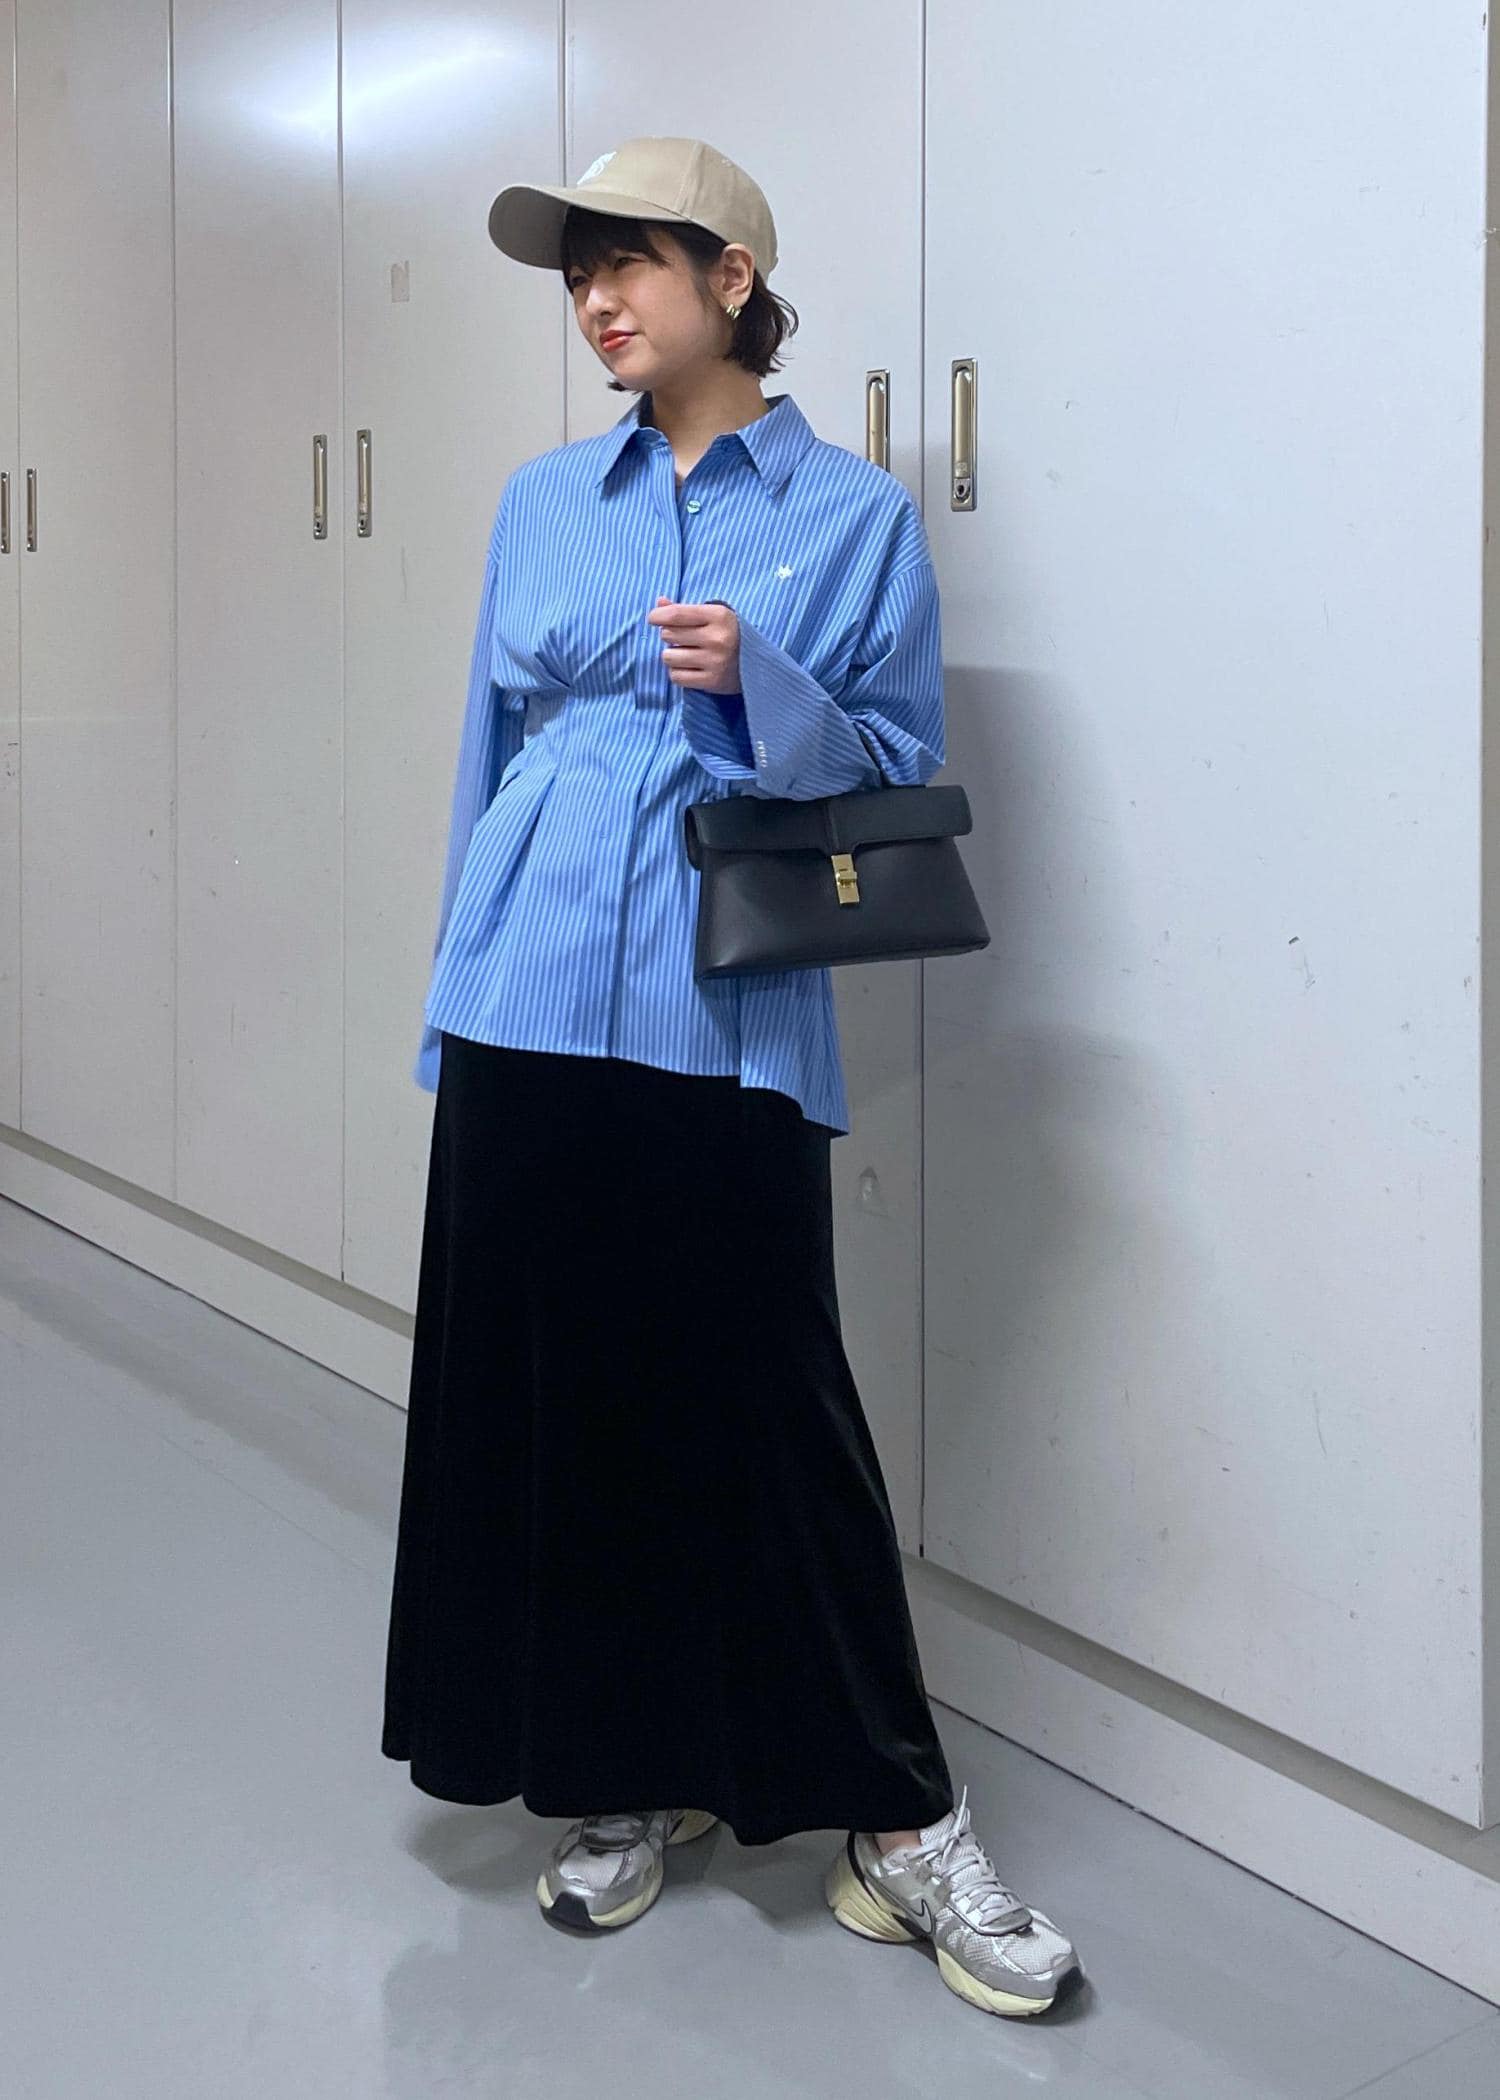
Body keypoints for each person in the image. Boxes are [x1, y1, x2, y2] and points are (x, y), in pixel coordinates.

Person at [381, 134, 1083, 2021]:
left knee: (774, 1400)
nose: (597, 300)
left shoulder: (854, 516)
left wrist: (765, 691)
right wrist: (447, 993)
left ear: (735, 278)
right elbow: (490, 752)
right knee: (559, 1390)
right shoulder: (546, 499)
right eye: (577, 274)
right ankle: (627, 1770)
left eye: (631, 262)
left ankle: (900, 1821)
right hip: (527, 984)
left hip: (725, 1008)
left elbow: (901, 769)